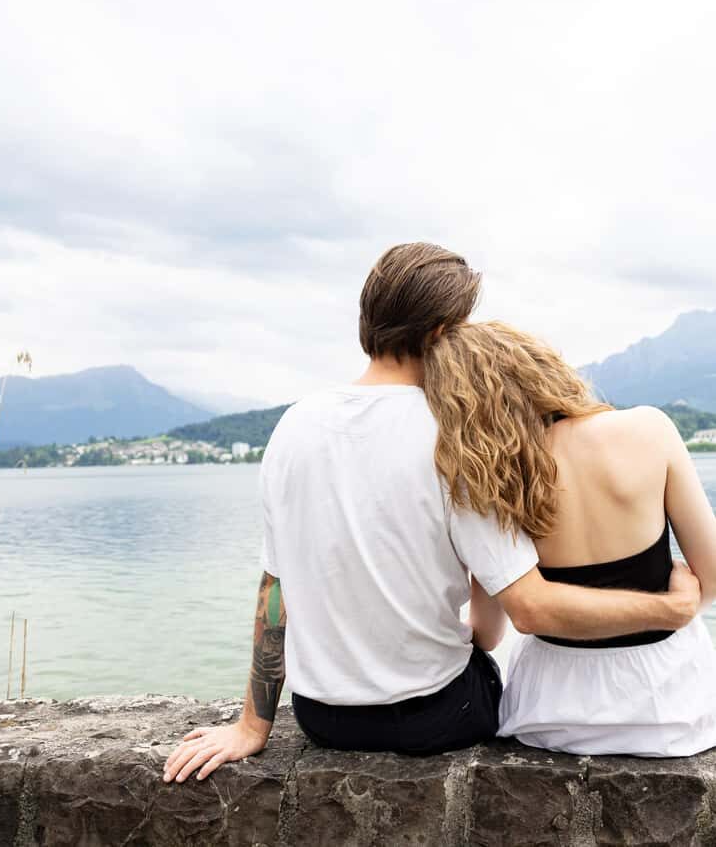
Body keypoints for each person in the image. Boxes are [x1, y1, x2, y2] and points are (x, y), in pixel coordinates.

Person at [163, 243, 701, 784]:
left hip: (321, 718)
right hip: (435, 718)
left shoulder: (292, 426)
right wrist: (670, 609)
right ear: (442, 334)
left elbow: (274, 589)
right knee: (483, 666)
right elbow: (528, 610)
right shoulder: (458, 439)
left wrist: (251, 727)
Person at [422, 320, 716, 756]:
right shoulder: (650, 430)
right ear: (544, 367)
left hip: (553, 715)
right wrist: (681, 592)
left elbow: (487, 635)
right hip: (669, 708)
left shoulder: (493, 481)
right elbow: (711, 581)